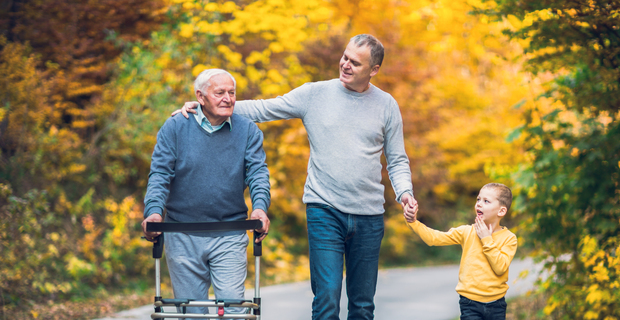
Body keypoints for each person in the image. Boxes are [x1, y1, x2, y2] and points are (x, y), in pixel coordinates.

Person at [174, 34, 418, 320]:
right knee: (326, 296)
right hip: (324, 209)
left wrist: (405, 192)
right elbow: (264, 108)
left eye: (355, 62)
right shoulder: (315, 94)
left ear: (373, 69)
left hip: (369, 215)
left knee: (363, 305)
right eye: (345, 57)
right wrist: (205, 105)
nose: (345, 65)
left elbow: (397, 159)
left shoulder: (386, 105)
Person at [142, 69, 271, 319]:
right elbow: (159, 174)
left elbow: (258, 173)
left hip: (230, 233)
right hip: (182, 233)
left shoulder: (248, 131)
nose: (228, 98)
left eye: (232, 93)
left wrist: (260, 207)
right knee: (192, 312)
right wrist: (154, 212)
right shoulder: (175, 127)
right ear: (200, 97)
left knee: (234, 310)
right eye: (219, 92)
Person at [403, 183, 518, 320]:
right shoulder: (467, 232)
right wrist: (413, 222)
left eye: (486, 201)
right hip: (469, 303)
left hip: (496, 304)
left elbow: (500, 268)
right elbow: (435, 238)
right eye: (478, 199)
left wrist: (486, 239)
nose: (479, 204)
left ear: (501, 211)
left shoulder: (509, 239)